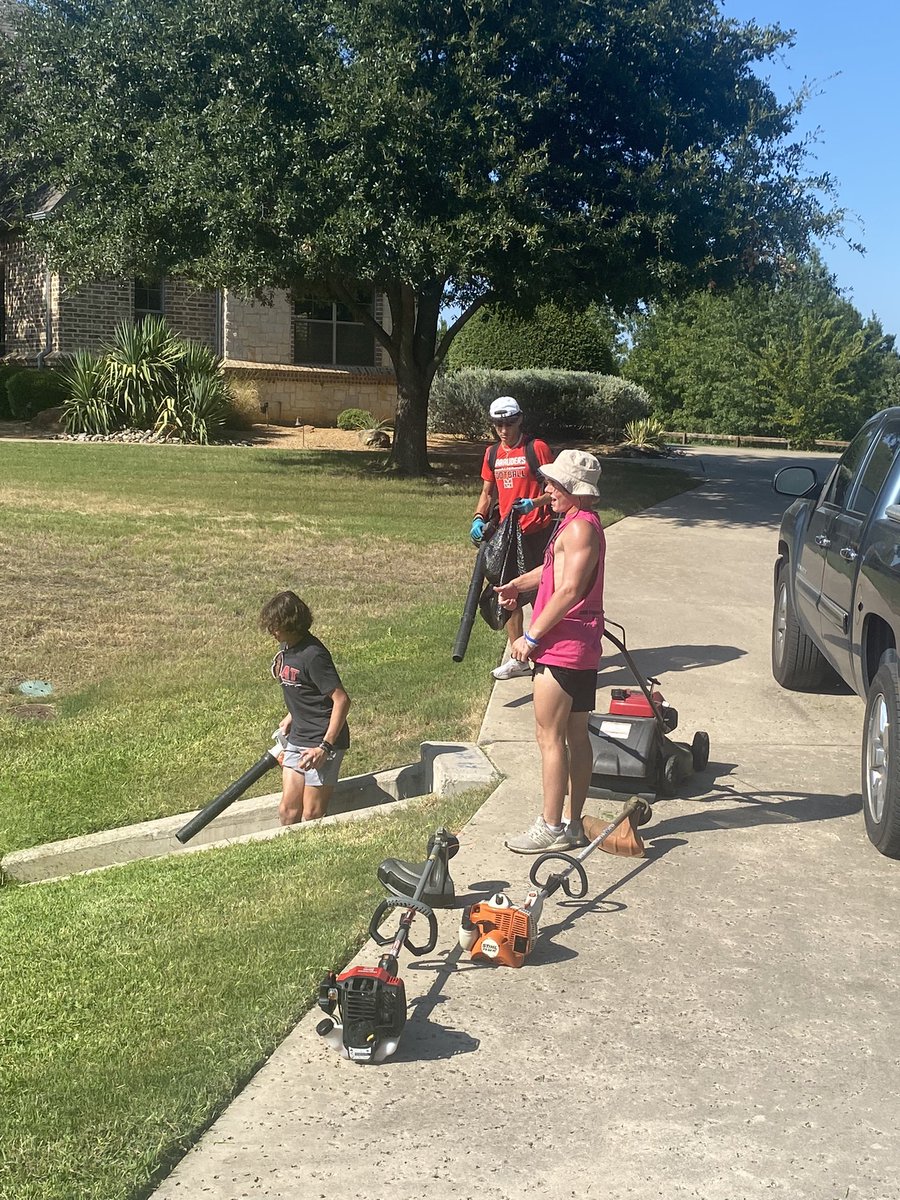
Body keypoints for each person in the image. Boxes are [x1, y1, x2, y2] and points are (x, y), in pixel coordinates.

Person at [494, 449, 606, 853]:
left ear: (575, 489)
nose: (547, 490)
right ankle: (573, 824)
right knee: (575, 734)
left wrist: (532, 637)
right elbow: (555, 571)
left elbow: (570, 589)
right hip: (578, 643)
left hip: (563, 646)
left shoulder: (579, 529)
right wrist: (519, 586)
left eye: (555, 484)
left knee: (549, 737)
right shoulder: (578, 525)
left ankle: (551, 825)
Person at [470, 395, 555, 680]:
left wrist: (536, 503)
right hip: (509, 535)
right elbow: (487, 492)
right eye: (498, 424)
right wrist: (478, 519)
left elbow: (555, 489)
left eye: (509, 422)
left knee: (544, 595)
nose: (504, 429)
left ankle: (551, 654)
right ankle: (518, 659)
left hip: (538, 532)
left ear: (520, 419)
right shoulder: (493, 453)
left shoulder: (536, 449)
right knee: (510, 595)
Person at [259, 590, 351, 825]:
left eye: (276, 625)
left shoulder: (314, 655)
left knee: (311, 815)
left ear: (291, 624)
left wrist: (325, 747)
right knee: (287, 811)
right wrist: (292, 715)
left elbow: (341, 700)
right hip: (298, 737)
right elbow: (305, 688)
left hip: (322, 740)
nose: (272, 631)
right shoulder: (287, 647)